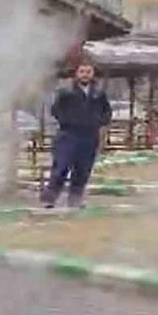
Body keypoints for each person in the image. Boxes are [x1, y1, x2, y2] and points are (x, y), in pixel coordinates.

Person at [42, 60, 114, 209]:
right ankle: (49, 199)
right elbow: (55, 110)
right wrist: (68, 120)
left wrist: (98, 122)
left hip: (89, 136)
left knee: (83, 169)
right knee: (61, 167)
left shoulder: (98, 93)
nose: (85, 75)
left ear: (93, 74)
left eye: (88, 72)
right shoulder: (66, 92)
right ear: (76, 73)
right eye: (82, 71)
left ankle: (75, 199)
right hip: (68, 135)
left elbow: (107, 112)